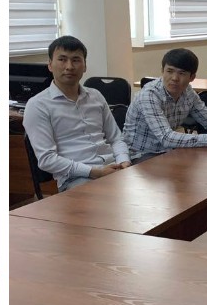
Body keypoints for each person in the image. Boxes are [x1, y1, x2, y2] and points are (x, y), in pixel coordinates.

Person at [22, 36, 131, 192]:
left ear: (85, 65)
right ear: (50, 65)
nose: (69, 66)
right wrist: (94, 172)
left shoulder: (96, 96)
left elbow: (116, 138)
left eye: (76, 60)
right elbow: (47, 159)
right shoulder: (38, 105)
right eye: (62, 59)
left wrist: (123, 161)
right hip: (77, 178)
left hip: (113, 167)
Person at [123, 48, 207, 163]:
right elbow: (166, 138)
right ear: (162, 71)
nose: (174, 78)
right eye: (169, 71)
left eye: (182, 73)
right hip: (140, 155)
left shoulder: (188, 92)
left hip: (168, 150)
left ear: (192, 77)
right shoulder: (149, 95)